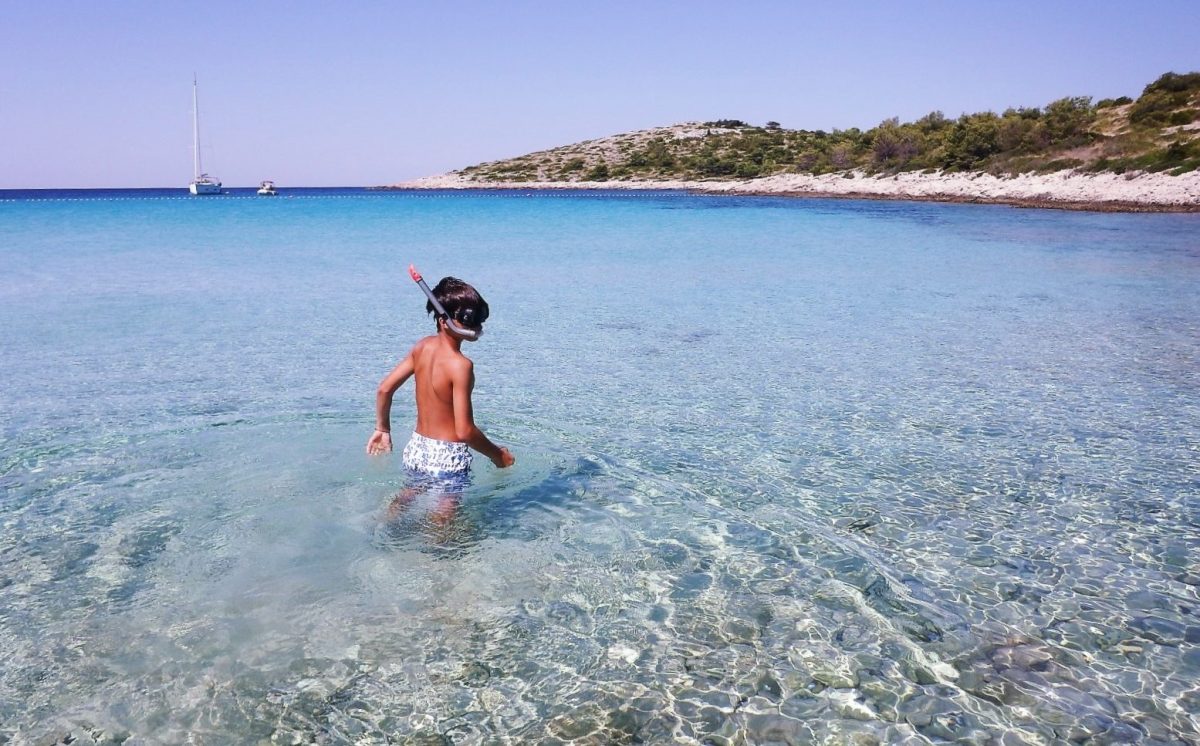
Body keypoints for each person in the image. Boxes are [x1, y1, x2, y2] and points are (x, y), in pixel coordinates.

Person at [367, 277, 514, 514]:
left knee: (406, 497)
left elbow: (384, 388)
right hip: (447, 456)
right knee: (443, 522)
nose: (476, 325)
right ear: (443, 320)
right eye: (468, 317)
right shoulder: (461, 366)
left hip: (417, 449)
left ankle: (380, 536)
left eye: (479, 318)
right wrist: (499, 455)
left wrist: (382, 429)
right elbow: (464, 431)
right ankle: (439, 550)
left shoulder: (422, 347)